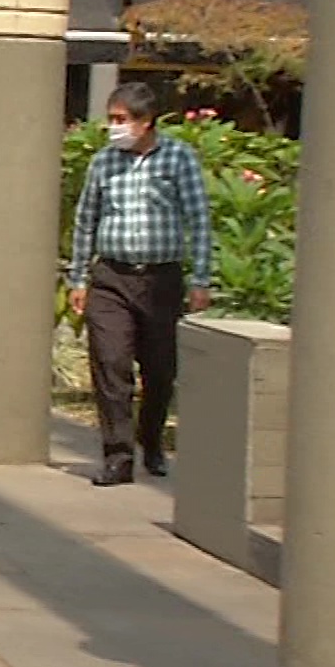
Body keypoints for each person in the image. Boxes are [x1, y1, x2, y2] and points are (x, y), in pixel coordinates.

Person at [68, 81, 213, 486]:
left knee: (160, 369)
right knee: (110, 364)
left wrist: (201, 278)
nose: (113, 127)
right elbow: (86, 220)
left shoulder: (178, 159)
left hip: (160, 279)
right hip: (111, 276)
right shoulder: (103, 163)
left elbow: (198, 219)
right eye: (111, 119)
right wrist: (78, 276)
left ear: (145, 122)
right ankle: (117, 455)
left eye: (120, 120)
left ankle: (150, 439)